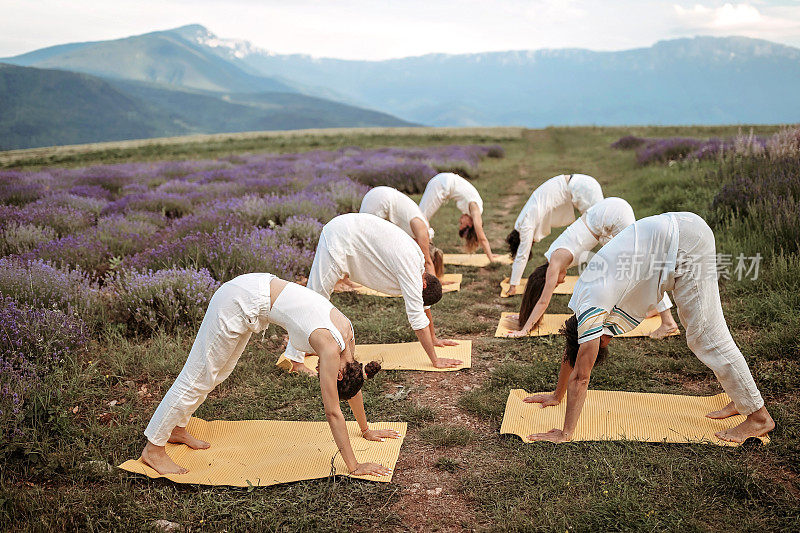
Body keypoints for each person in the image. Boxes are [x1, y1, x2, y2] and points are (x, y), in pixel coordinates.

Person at [525, 212, 774, 444]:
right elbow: (574, 348)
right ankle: (740, 400)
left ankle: (758, 417)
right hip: (680, 232)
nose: (610, 339)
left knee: (707, 337)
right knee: (695, 327)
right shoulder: (582, 304)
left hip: (685, 244)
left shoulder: (592, 314)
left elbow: (581, 376)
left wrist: (566, 432)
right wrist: (556, 396)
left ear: (597, 338)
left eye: (604, 342)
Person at [140, 273, 400, 476]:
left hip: (253, 293)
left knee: (217, 373)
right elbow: (333, 412)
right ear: (339, 376)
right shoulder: (331, 348)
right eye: (327, 377)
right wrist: (354, 466)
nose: (320, 372)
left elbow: (354, 386)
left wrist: (365, 430)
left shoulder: (347, 338)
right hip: (239, 300)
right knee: (197, 377)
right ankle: (154, 448)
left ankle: (176, 428)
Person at [283, 213, 461, 374]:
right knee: (316, 299)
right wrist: (435, 360)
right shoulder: (411, 272)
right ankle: (295, 360)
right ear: (422, 285)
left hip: (347, 231)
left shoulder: (419, 263)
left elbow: (422, 307)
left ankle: (302, 346)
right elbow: (417, 317)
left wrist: (434, 337)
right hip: (340, 237)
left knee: (316, 299)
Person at [506, 197, 678, 339]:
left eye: (554, 285)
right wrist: (524, 316)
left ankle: (668, 322)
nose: (560, 283)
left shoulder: (555, 264)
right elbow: (539, 298)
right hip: (607, 217)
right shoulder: (553, 257)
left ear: (545, 280)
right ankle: (656, 309)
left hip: (614, 215)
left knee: (639, 267)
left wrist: (524, 330)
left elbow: (543, 301)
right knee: (629, 267)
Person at [506, 174, 603, 296]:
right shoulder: (522, 220)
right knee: (600, 225)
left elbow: (522, 255)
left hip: (583, 188)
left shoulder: (525, 226)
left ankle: (621, 256)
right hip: (581, 184)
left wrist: (513, 286)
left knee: (600, 225)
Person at [359, 186, 443, 277]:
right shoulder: (422, 233)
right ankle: (346, 279)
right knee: (361, 241)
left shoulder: (425, 227)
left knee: (366, 241)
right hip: (380, 199)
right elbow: (428, 263)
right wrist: (436, 284)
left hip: (380, 194)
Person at [418, 172, 499, 264]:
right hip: (442, 184)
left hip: (442, 182)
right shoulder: (475, 211)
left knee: (420, 220)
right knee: (420, 220)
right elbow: (482, 238)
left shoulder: (472, 209)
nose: (460, 220)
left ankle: (427, 252)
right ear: (469, 224)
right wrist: (491, 259)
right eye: (461, 224)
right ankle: (427, 253)